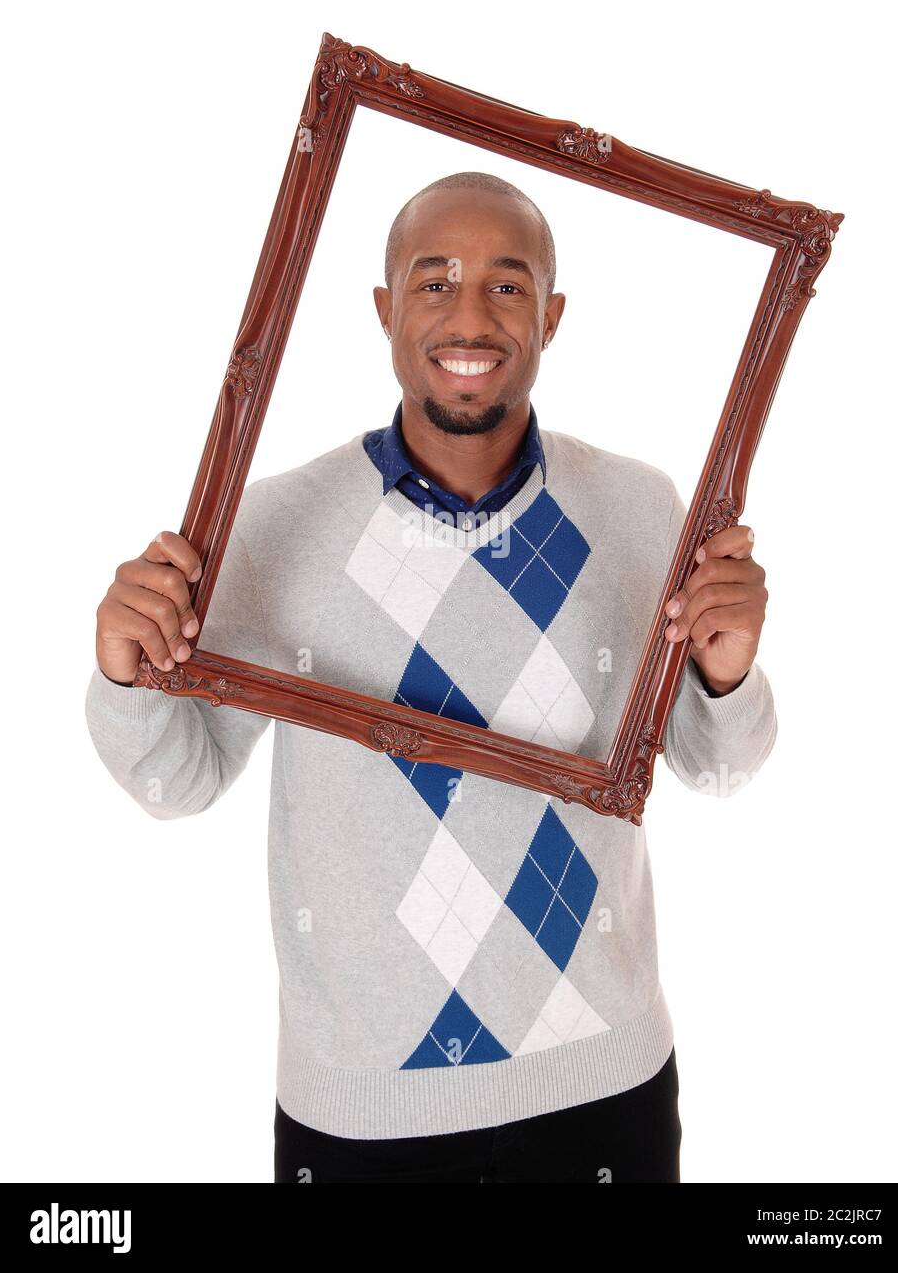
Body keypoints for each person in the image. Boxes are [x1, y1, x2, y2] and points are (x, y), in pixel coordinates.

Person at [86, 171, 776, 1183]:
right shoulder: (273, 524)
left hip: (604, 1090)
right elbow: (175, 781)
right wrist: (124, 674)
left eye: (507, 286)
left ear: (552, 314)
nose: (468, 316)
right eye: (431, 281)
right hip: (361, 1110)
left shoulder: (638, 509)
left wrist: (728, 674)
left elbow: (715, 770)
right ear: (382, 309)